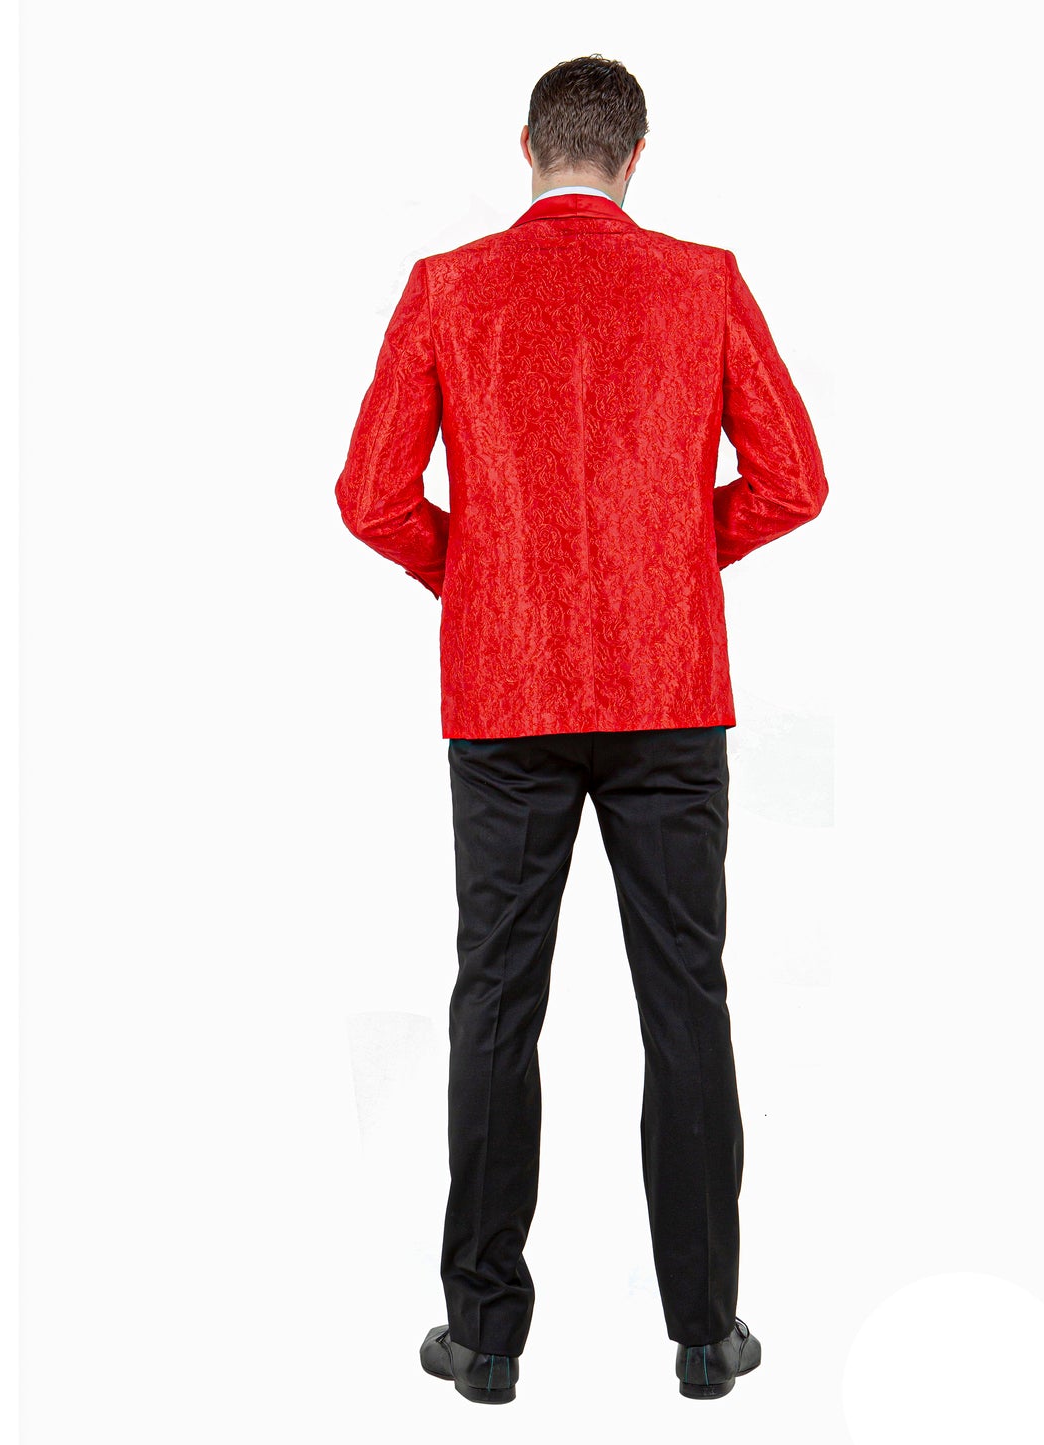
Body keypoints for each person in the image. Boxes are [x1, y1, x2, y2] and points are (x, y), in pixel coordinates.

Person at [334, 53, 828, 1404]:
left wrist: (483, 576)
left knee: (496, 1000)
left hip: (506, 697)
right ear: (636, 155)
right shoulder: (703, 282)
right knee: (687, 999)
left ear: (526, 146)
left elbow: (371, 495)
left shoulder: (449, 286)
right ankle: (707, 1333)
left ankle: (484, 1337)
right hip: (669, 693)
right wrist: (670, 557)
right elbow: (793, 480)